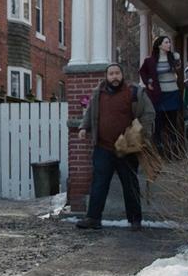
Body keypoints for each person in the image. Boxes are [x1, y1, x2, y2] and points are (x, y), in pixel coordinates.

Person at [77, 64, 155, 231]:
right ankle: (93, 218)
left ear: (122, 75)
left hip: (126, 148)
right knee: (99, 183)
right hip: (103, 147)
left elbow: (149, 113)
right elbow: (90, 111)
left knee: (130, 184)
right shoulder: (98, 93)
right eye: (111, 74)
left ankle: (135, 220)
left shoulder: (134, 92)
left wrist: (140, 134)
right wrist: (84, 128)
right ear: (106, 76)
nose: (114, 77)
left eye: (117, 73)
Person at [138, 36, 182, 159]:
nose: (169, 44)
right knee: (158, 124)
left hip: (173, 92)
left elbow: (177, 67)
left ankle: (175, 153)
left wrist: (177, 58)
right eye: (166, 42)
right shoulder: (150, 60)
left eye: (169, 42)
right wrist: (148, 82)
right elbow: (142, 72)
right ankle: (160, 154)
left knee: (173, 124)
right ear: (159, 45)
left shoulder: (174, 57)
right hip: (158, 94)